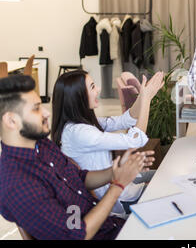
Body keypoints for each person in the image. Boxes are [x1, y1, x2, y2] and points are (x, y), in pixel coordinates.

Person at [0, 75, 153, 239]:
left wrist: (115, 172)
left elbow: (79, 177)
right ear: (11, 120)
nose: (46, 113)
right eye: (36, 108)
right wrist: (118, 185)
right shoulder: (17, 184)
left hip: (111, 224)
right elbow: (75, 235)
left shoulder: (42, 145)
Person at [51, 70, 164, 217]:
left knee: (164, 175)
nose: (98, 89)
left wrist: (143, 96)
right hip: (119, 197)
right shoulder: (79, 132)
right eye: (92, 87)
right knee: (167, 183)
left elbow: (126, 119)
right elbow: (135, 141)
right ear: (77, 97)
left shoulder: (79, 124)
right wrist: (147, 100)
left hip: (120, 181)